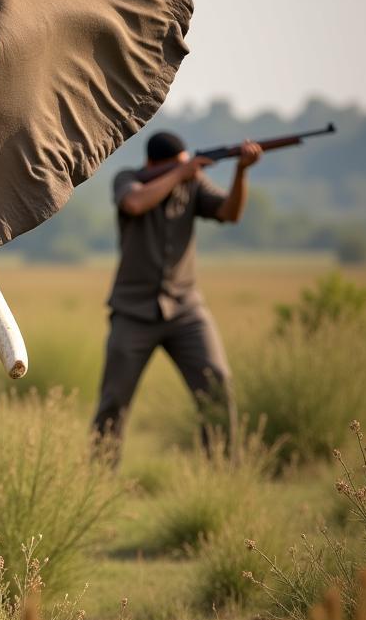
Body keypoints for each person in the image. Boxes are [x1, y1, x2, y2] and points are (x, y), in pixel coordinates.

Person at [91, 130, 262, 461]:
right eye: (179, 167)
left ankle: (223, 477)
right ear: (153, 164)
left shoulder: (193, 183)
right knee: (114, 401)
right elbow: (136, 203)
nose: (189, 172)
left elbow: (230, 213)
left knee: (218, 387)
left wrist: (241, 171)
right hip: (133, 312)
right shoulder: (128, 179)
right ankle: (96, 482)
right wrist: (179, 173)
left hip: (186, 310)